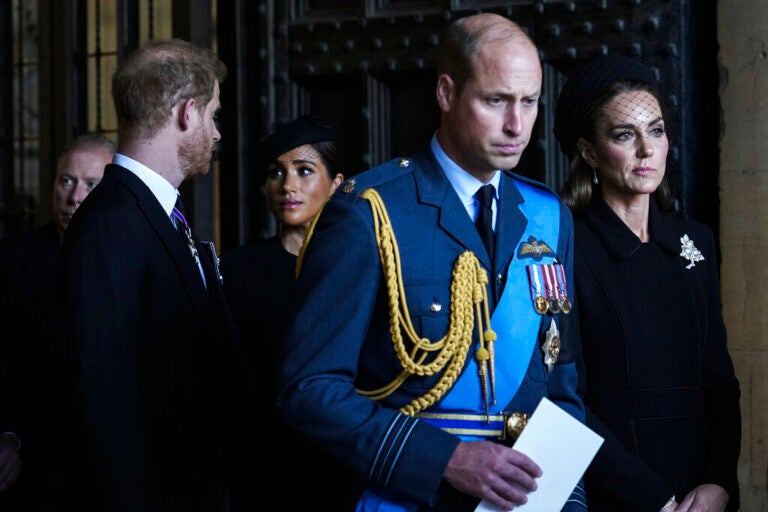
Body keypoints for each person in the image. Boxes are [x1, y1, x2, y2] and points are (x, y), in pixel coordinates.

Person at [276, 13, 587, 512]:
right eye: (496, 100)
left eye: (529, 102)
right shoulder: (369, 212)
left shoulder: (548, 216)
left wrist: (566, 502)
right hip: (408, 497)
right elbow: (308, 390)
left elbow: (563, 386)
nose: (517, 125)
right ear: (446, 93)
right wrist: (445, 459)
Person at [58, 38, 259, 511]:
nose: (217, 133)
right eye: (213, 116)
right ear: (187, 112)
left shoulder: (157, 211)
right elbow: (105, 402)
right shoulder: (110, 224)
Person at [555, 54, 741, 512]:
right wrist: (651, 498)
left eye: (656, 131)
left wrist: (718, 481)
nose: (646, 150)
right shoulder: (564, 245)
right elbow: (563, 397)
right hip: (614, 490)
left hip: (701, 493)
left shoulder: (694, 241)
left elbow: (718, 380)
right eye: (625, 135)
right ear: (589, 150)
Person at [219, 113, 358, 509]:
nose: (288, 186)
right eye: (276, 172)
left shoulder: (361, 271)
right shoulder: (237, 271)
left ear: (336, 185)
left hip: (341, 465)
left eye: (304, 170)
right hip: (262, 468)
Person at [0, 133, 114, 510]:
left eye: (91, 184)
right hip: (35, 462)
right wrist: (8, 435)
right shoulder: (13, 262)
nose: (75, 197)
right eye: (67, 181)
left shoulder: (127, 262)